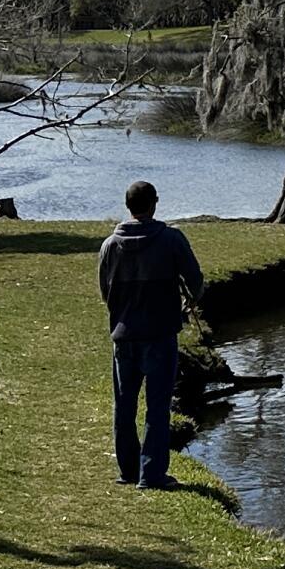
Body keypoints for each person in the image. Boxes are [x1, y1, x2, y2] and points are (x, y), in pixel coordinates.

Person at [98, 179, 205, 490]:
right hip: (160, 335)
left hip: (123, 337)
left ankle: (128, 470)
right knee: (157, 407)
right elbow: (196, 282)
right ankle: (152, 474)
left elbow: (105, 293)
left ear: (128, 206)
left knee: (124, 406)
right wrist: (187, 304)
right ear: (154, 203)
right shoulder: (171, 239)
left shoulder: (109, 245)